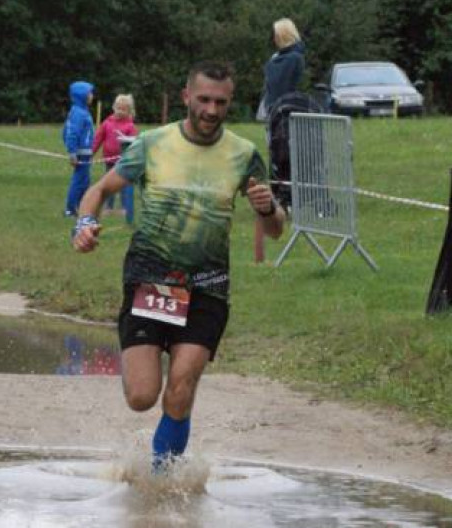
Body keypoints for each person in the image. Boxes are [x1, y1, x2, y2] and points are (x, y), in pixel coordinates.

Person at [71, 61, 285, 470]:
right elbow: (98, 190)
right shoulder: (153, 143)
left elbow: (274, 230)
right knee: (142, 397)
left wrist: (269, 208)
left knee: (182, 386)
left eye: (220, 102)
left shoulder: (243, 155)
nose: (211, 110)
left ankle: (161, 477)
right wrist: (84, 223)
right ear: (187, 96)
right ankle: (145, 375)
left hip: (207, 285)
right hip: (150, 279)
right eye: (203, 99)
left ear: (229, 103)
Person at [91, 94, 138, 220]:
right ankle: (109, 207)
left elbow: (135, 144)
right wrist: (91, 153)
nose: (120, 111)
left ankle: (124, 207)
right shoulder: (107, 123)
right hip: (109, 160)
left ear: (129, 111)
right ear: (114, 107)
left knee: (123, 185)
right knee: (108, 184)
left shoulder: (130, 126)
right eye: (118, 108)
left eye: (123, 109)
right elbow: (98, 139)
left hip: (123, 162)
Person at [258, 18, 305, 122]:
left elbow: (281, 86)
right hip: (274, 108)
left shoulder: (293, 58)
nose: (274, 39)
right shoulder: (279, 57)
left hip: (284, 110)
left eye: (275, 35)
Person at [62, 80, 95, 217]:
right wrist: (72, 153)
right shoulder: (78, 113)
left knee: (85, 181)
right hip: (80, 153)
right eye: (89, 93)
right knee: (78, 181)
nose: (92, 96)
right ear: (82, 96)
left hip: (86, 152)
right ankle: (70, 208)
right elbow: (71, 133)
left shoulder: (83, 111)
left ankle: (83, 207)